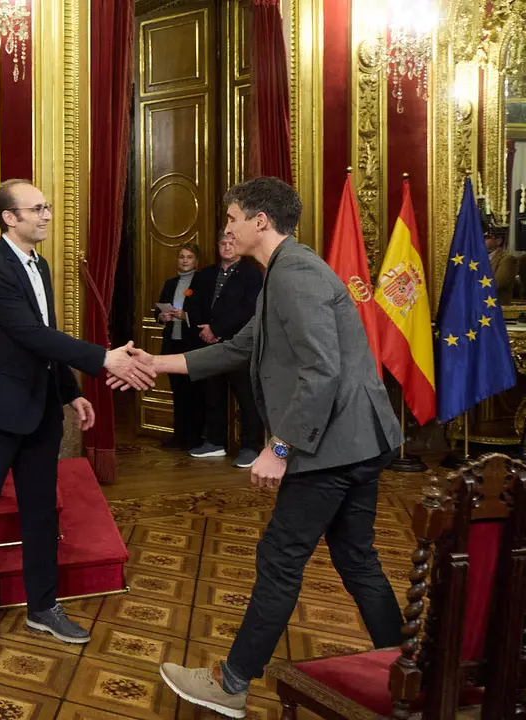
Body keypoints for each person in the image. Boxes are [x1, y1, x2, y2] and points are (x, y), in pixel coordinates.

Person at [116, 177, 403, 719]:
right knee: (357, 557)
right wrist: (156, 364)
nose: (226, 228)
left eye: (231, 219)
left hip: (332, 449)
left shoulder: (294, 276)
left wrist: (281, 447)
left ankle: (232, 682)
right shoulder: (285, 271)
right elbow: (241, 347)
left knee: (279, 559)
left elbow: (321, 370)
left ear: (259, 222)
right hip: (359, 441)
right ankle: (410, 667)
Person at [0, 179, 155, 646]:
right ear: (9, 218)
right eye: (38, 209)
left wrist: (69, 391)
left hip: (40, 404)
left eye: (47, 207)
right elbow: (27, 332)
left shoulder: (39, 265)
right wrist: (105, 358)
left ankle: (43, 606)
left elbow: (47, 334)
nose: (47, 215)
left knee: (41, 510)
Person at [188, 231, 265, 468]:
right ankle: (215, 442)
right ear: (218, 246)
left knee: (246, 397)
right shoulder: (206, 274)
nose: (228, 247)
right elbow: (192, 301)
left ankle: (250, 448)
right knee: (213, 394)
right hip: (208, 343)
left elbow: (249, 309)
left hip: (239, 344)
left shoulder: (252, 274)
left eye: (232, 243)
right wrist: (205, 329)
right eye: (223, 243)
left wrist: (217, 329)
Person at [156, 243, 206, 450]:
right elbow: (156, 310)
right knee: (177, 392)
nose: (185, 261)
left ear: (196, 261)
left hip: (192, 345)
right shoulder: (170, 283)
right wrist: (162, 316)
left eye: (189, 257)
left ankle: (194, 438)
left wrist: (185, 316)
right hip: (172, 344)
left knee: (194, 393)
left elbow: (206, 313)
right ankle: (179, 436)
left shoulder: (202, 283)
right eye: (182, 257)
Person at [485, 224, 517, 298]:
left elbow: (497, 284)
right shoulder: (479, 258)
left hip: (498, 305)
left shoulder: (507, 259)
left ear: (498, 241)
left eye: (486, 238)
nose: (482, 241)